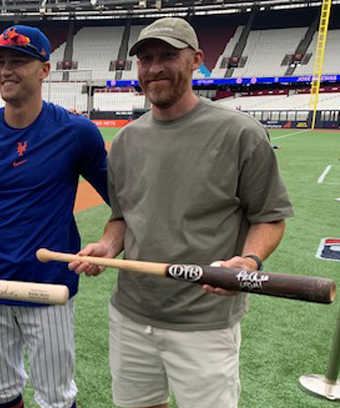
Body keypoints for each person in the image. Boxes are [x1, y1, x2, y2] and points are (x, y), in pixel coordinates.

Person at [69, 17, 294, 408]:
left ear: (196, 61)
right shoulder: (125, 141)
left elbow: (269, 216)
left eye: (168, 56)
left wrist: (250, 260)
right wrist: (108, 245)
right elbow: (124, 216)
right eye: (146, 58)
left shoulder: (240, 134)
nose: (155, 67)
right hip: (131, 314)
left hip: (204, 323)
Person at [0, 25, 110, 408]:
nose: (5, 71)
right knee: (0, 392)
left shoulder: (77, 133)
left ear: (44, 70)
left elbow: (123, 200)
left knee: (55, 396)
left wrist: (112, 243)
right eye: (0, 63)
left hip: (48, 288)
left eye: (18, 61)